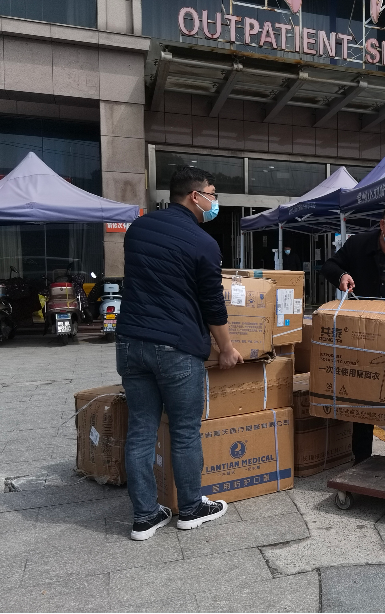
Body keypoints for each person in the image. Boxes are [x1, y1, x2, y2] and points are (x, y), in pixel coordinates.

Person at [117, 166, 243, 541]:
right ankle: (190, 509)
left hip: (131, 342)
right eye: (212, 194)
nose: (215, 201)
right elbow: (212, 305)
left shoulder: (138, 229)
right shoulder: (203, 242)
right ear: (195, 196)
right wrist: (226, 348)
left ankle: (144, 517)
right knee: (185, 431)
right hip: (176, 347)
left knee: (141, 430)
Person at [320, 202, 385, 463]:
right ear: (383, 225)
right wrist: (342, 276)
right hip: (364, 332)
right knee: (364, 393)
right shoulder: (358, 245)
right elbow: (329, 266)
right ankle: (361, 457)